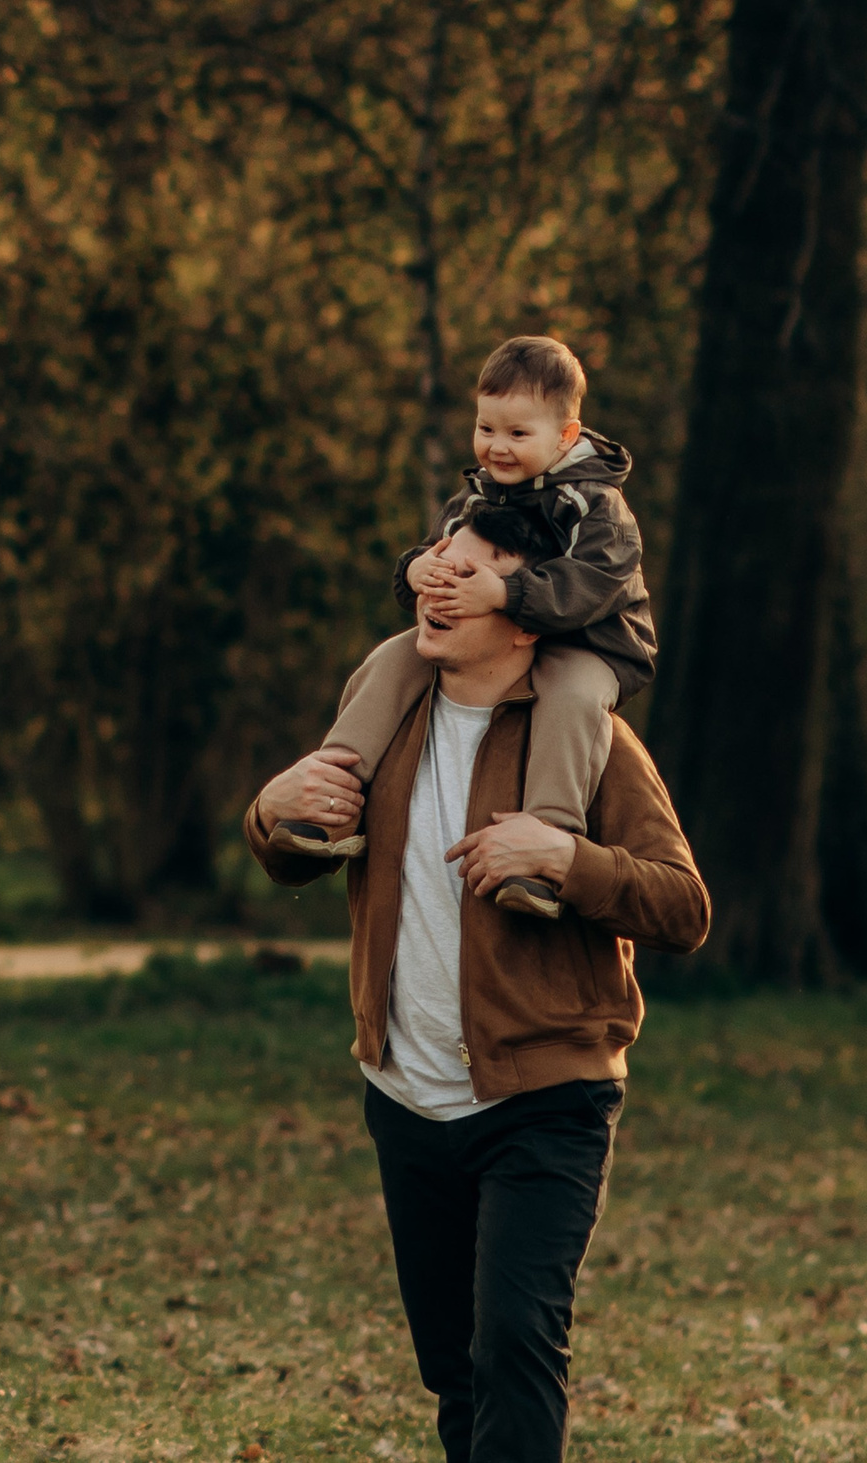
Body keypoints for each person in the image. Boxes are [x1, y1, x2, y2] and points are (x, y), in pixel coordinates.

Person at [244, 503, 709, 1463]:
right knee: (455, 1366)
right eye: (438, 561)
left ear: (530, 614)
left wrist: (568, 860)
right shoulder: (384, 715)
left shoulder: (591, 741)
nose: (440, 580)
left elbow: (683, 906)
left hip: (546, 1099)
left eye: (473, 570)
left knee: (515, 1348)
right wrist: (268, 811)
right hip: (406, 1095)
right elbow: (302, 851)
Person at [269, 336, 653, 921]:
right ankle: (332, 793)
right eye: (486, 428)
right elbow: (430, 560)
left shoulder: (597, 506)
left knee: (570, 697)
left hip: (592, 643)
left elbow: (590, 589)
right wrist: (416, 569)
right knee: (394, 657)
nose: (497, 448)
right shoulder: (475, 495)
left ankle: (542, 845)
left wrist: (503, 591)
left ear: (566, 436)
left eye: (517, 434)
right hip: (503, 635)